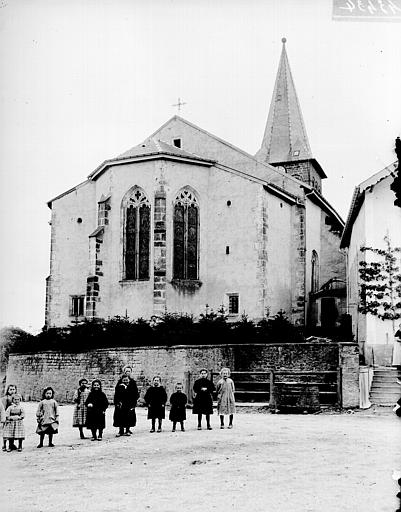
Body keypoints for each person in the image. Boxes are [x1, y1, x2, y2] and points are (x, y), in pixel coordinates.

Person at [114, 366, 139, 436]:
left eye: (129, 371)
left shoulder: (133, 382)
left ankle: (127, 430)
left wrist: (134, 403)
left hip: (129, 402)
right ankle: (121, 430)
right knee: (120, 416)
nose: (127, 372)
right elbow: (116, 393)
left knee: (129, 416)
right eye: (126, 371)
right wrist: (117, 402)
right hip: (121, 403)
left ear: (131, 372)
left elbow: (135, 393)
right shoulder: (120, 382)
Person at [1, 384, 17, 451]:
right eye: (10, 389)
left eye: (13, 389)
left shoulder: (16, 398)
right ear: (7, 390)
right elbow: (3, 409)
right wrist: (4, 418)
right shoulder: (5, 398)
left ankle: (11, 444)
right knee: (6, 432)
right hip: (7, 418)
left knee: (12, 432)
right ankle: (4, 445)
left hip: (13, 418)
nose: (12, 391)